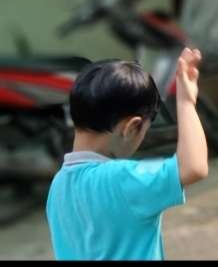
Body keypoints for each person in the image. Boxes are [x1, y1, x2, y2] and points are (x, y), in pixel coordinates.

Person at [46, 48, 209, 261]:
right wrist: (186, 102)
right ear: (132, 127)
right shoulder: (122, 178)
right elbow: (193, 167)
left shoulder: (57, 186)